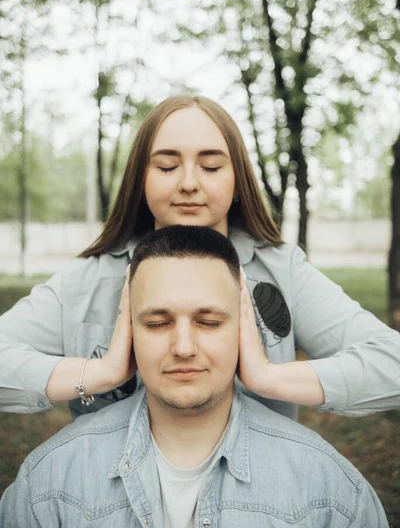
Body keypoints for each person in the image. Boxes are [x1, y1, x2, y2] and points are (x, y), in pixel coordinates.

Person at [0, 94, 399, 422]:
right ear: (141, 179)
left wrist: (266, 378)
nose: (189, 183)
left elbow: (390, 364)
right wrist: (99, 374)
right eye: (167, 165)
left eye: (210, 166)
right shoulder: (86, 279)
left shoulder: (283, 272)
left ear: (237, 179)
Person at [0, 226, 389, 528]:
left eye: (208, 321)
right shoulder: (48, 483)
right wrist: (101, 371)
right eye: (157, 322)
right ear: (128, 331)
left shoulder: (329, 489)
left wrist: (266, 375)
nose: (183, 346)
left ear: (243, 330)